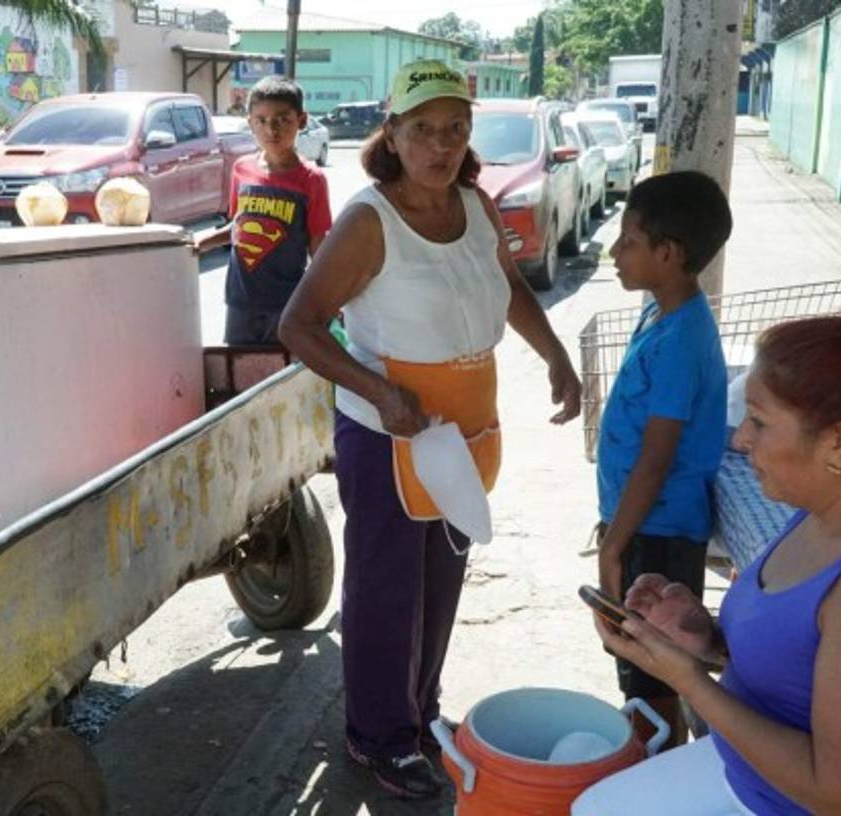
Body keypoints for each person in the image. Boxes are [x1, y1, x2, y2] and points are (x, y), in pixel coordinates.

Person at [278, 59, 582, 799]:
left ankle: (419, 716)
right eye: (423, 131)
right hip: (389, 435)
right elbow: (300, 326)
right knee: (387, 590)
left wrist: (556, 357)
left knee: (441, 579)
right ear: (394, 133)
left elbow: (509, 290)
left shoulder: (475, 205)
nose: (440, 146)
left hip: (464, 430)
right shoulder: (367, 220)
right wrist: (378, 391)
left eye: (455, 130)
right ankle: (377, 737)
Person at [576, 291, 841, 815]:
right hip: (746, 776)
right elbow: (808, 668)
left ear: (840, 445)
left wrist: (687, 679)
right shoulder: (822, 510)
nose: (739, 441)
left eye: (757, 421)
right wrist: (703, 639)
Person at [594, 171, 734, 747]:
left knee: (653, 678)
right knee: (642, 670)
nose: (614, 251)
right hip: (642, 524)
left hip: (656, 533)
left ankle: (655, 768)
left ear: (668, 254)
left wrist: (612, 548)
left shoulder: (681, 339)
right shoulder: (660, 313)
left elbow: (656, 460)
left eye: (628, 240)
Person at [195, 75, 331, 345]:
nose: (272, 130)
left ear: (302, 121)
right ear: (250, 124)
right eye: (261, 120)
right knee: (239, 375)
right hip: (240, 302)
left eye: (283, 119)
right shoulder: (241, 169)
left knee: (282, 380)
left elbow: (318, 245)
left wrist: (329, 300)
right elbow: (242, 225)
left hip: (287, 304)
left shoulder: (312, 179)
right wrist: (205, 241)